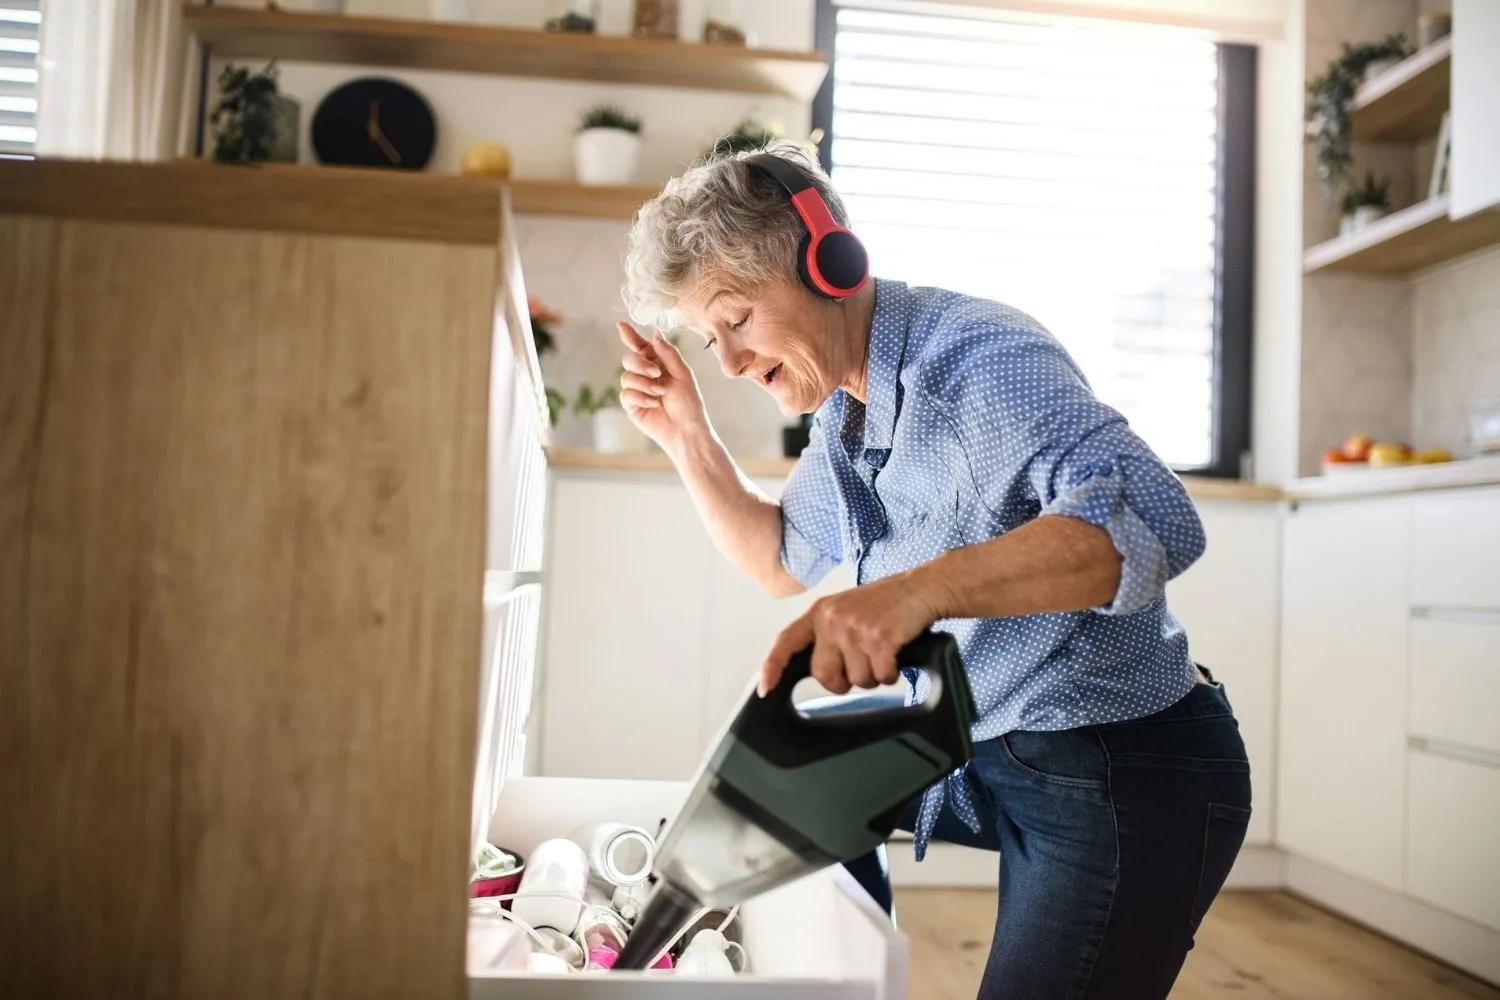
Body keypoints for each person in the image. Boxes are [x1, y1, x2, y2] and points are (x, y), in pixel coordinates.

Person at [615, 140, 1251, 1000]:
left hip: (1121, 764)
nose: (725, 362)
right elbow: (777, 561)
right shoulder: (846, 415)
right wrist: (686, 434)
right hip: (988, 748)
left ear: (828, 263)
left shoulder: (979, 362)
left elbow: (1154, 518)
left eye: (735, 321)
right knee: (800, 826)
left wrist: (911, 592)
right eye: (706, 338)